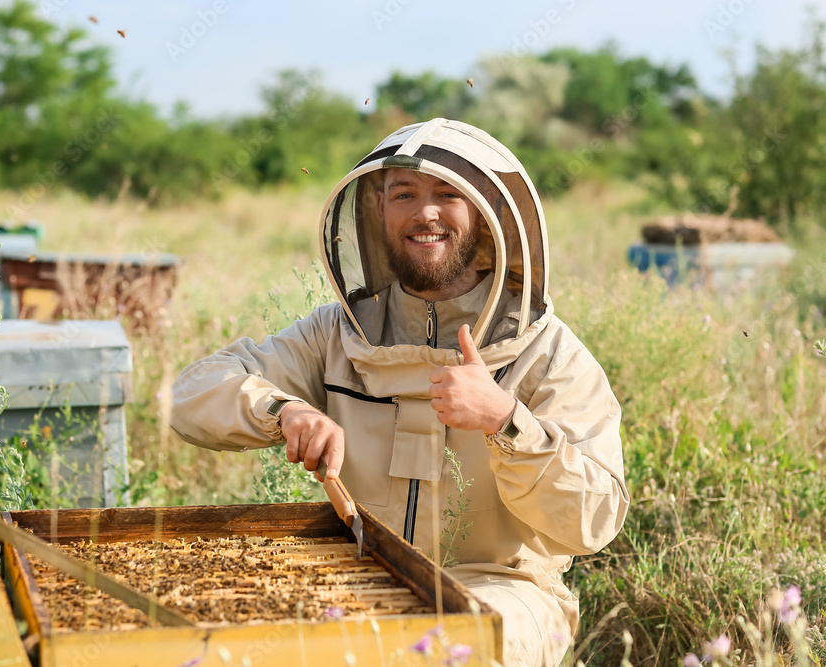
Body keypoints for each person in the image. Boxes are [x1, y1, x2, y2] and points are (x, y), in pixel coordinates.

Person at [172, 118, 629, 666]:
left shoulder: (547, 353)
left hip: (504, 588)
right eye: (403, 194)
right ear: (377, 211)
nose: (424, 212)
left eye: (447, 195)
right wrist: (283, 411)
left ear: (486, 217)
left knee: (444, 650)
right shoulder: (335, 332)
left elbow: (594, 520)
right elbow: (189, 395)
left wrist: (506, 419)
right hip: (364, 573)